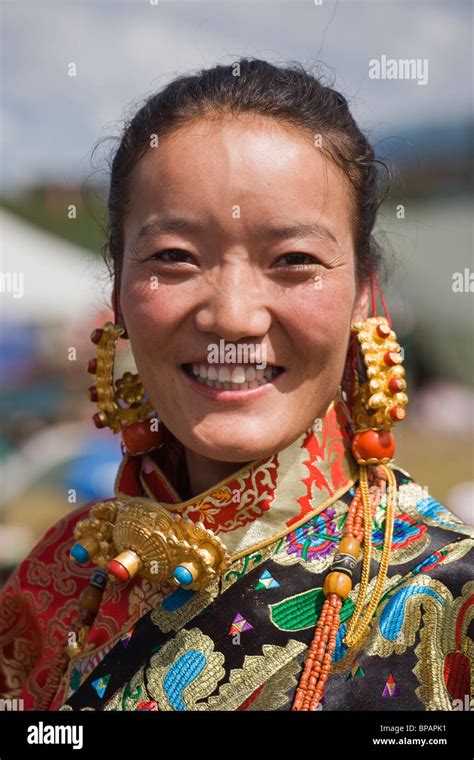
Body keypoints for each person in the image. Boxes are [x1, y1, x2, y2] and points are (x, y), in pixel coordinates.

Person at [1, 59, 472, 712]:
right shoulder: (58, 582)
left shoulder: (449, 607)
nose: (232, 315)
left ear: (365, 295)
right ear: (117, 292)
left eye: (294, 261)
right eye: (175, 257)